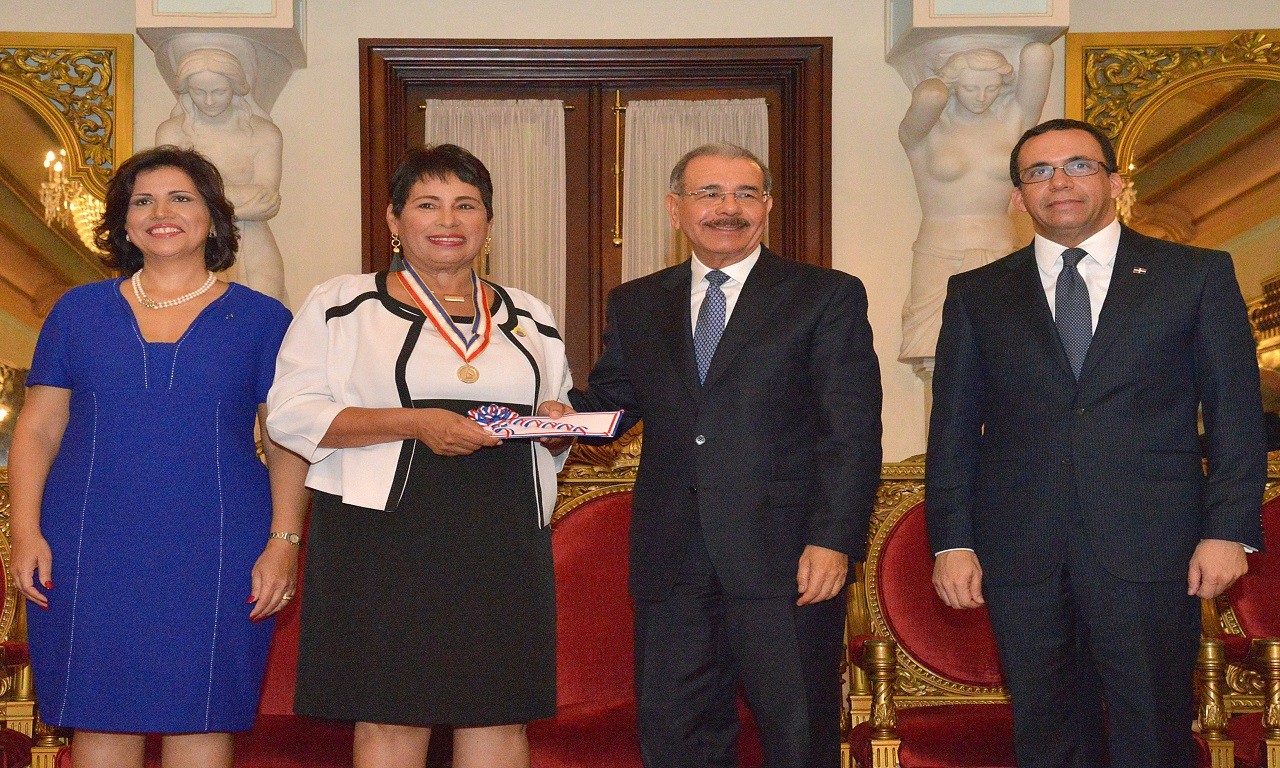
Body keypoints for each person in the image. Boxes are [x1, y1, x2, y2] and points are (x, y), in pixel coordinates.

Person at [926, 118, 1266, 767]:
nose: (1060, 183)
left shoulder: (1194, 275)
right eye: (1039, 172)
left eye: (1078, 166)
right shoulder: (976, 295)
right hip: (1019, 550)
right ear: (1017, 197)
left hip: (1152, 543)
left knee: (1153, 728)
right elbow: (953, 430)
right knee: (1046, 731)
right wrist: (953, 540)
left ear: (1113, 181)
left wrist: (1229, 528)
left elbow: (1235, 415)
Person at [547, 142, 882, 768]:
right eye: (710, 194)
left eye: (745, 194)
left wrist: (835, 540)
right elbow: (615, 404)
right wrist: (562, 421)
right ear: (676, 210)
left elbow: (853, 431)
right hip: (673, 560)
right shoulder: (638, 302)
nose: (728, 209)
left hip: (790, 561)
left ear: (768, 207)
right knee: (677, 737)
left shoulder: (825, 296)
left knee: (797, 734)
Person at [265, 143, 572, 768]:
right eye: (428, 205)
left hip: (504, 534)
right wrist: (414, 425)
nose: (448, 220)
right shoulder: (341, 304)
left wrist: (557, 427)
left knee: (499, 713)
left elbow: (555, 423)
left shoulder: (530, 315)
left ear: (487, 224)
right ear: (393, 221)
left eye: (466, 205)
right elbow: (291, 415)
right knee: (390, 714)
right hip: (381, 532)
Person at [8, 145, 307, 768]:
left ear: (213, 220)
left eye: (181, 198)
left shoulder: (264, 320)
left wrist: (283, 541)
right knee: (100, 719)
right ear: (122, 222)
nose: (160, 212)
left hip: (220, 545)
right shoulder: (77, 313)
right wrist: (26, 532)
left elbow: (286, 440)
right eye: (142, 200)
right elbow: (36, 432)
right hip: (87, 542)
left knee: (202, 718)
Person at [898, 42, 1052, 363]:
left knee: (1004, 356)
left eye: (992, 88)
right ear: (953, 85)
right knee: (936, 358)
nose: (981, 97)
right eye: (970, 87)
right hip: (939, 252)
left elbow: (1040, 55)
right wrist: (936, 81)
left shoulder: (1014, 121)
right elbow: (928, 99)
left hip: (1001, 250)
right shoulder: (925, 132)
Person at [157, 47, 288, 304]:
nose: (208, 101)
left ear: (235, 88)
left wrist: (201, 197)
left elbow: (266, 201)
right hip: (192, 239)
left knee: (263, 312)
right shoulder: (171, 133)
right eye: (199, 92)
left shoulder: (264, 133)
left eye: (218, 91)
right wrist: (237, 199)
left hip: (250, 240)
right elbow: (170, 194)